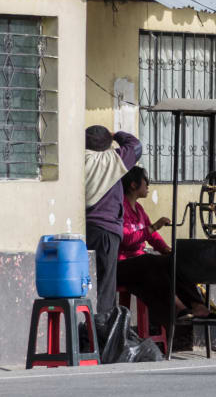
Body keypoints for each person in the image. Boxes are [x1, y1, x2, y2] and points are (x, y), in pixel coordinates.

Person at [117, 166, 216, 328]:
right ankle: (177, 308)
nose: (148, 185)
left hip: (142, 262)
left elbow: (151, 237)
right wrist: (154, 227)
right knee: (150, 261)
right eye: (145, 181)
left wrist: (167, 251)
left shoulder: (138, 209)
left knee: (172, 261)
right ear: (133, 185)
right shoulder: (120, 208)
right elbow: (126, 240)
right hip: (123, 265)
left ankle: (196, 304)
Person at [85, 125, 141, 313]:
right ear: (107, 144)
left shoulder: (79, 159)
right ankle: (101, 332)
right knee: (105, 287)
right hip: (106, 231)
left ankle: (86, 331)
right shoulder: (112, 159)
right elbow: (136, 146)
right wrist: (116, 134)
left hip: (83, 229)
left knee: (86, 284)